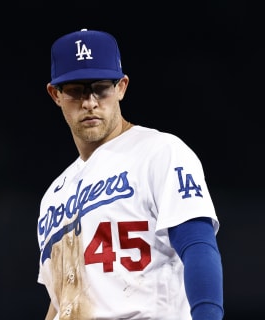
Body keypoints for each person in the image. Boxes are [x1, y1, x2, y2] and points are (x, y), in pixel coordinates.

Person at [37, 28, 224, 320]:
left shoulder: (159, 152)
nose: (90, 102)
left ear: (121, 87)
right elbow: (62, 301)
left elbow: (198, 246)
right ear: (55, 94)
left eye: (100, 88)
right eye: (76, 90)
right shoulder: (53, 196)